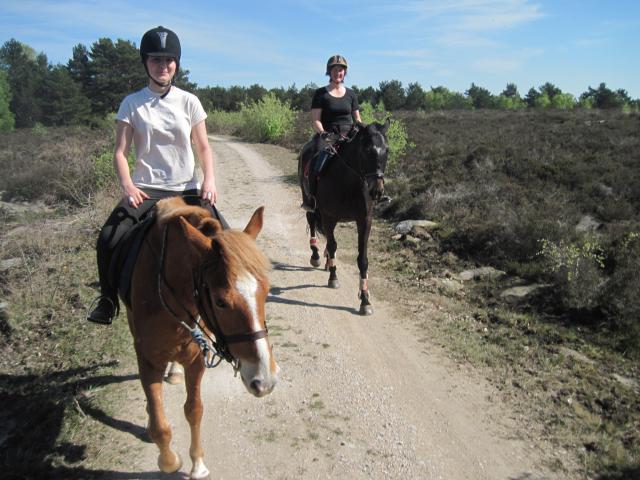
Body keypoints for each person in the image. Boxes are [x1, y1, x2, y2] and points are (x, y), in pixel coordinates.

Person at [87, 26, 225, 325]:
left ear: (176, 63)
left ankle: (227, 300)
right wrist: (127, 186)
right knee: (109, 237)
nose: (163, 66)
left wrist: (209, 180)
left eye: (169, 60)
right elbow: (120, 153)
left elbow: (203, 147)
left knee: (226, 241)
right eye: (155, 60)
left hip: (187, 189)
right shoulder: (131, 104)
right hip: (147, 191)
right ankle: (108, 300)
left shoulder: (189, 102)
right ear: (145, 63)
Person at [302, 54, 362, 212]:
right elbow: (316, 119)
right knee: (317, 162)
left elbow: (357, 118)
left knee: (369, 157)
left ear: (345, 72)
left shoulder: (351, 94)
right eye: (335, 69)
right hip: (328, 134)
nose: (338, 72)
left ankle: (372, 196)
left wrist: (364, 131)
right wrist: (322, 133)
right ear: (329, 72)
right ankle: (312, 199)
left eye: (341, 70)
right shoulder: (321, 94)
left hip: (349, 134)